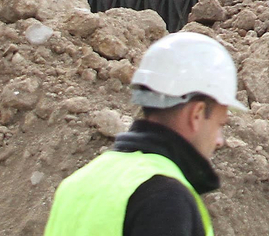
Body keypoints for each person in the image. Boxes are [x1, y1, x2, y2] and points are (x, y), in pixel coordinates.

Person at [43, 31, 246, 236]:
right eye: (220, 125)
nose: (220, 140)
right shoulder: (165, 196)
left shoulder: (76, 184)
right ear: (197, 114)